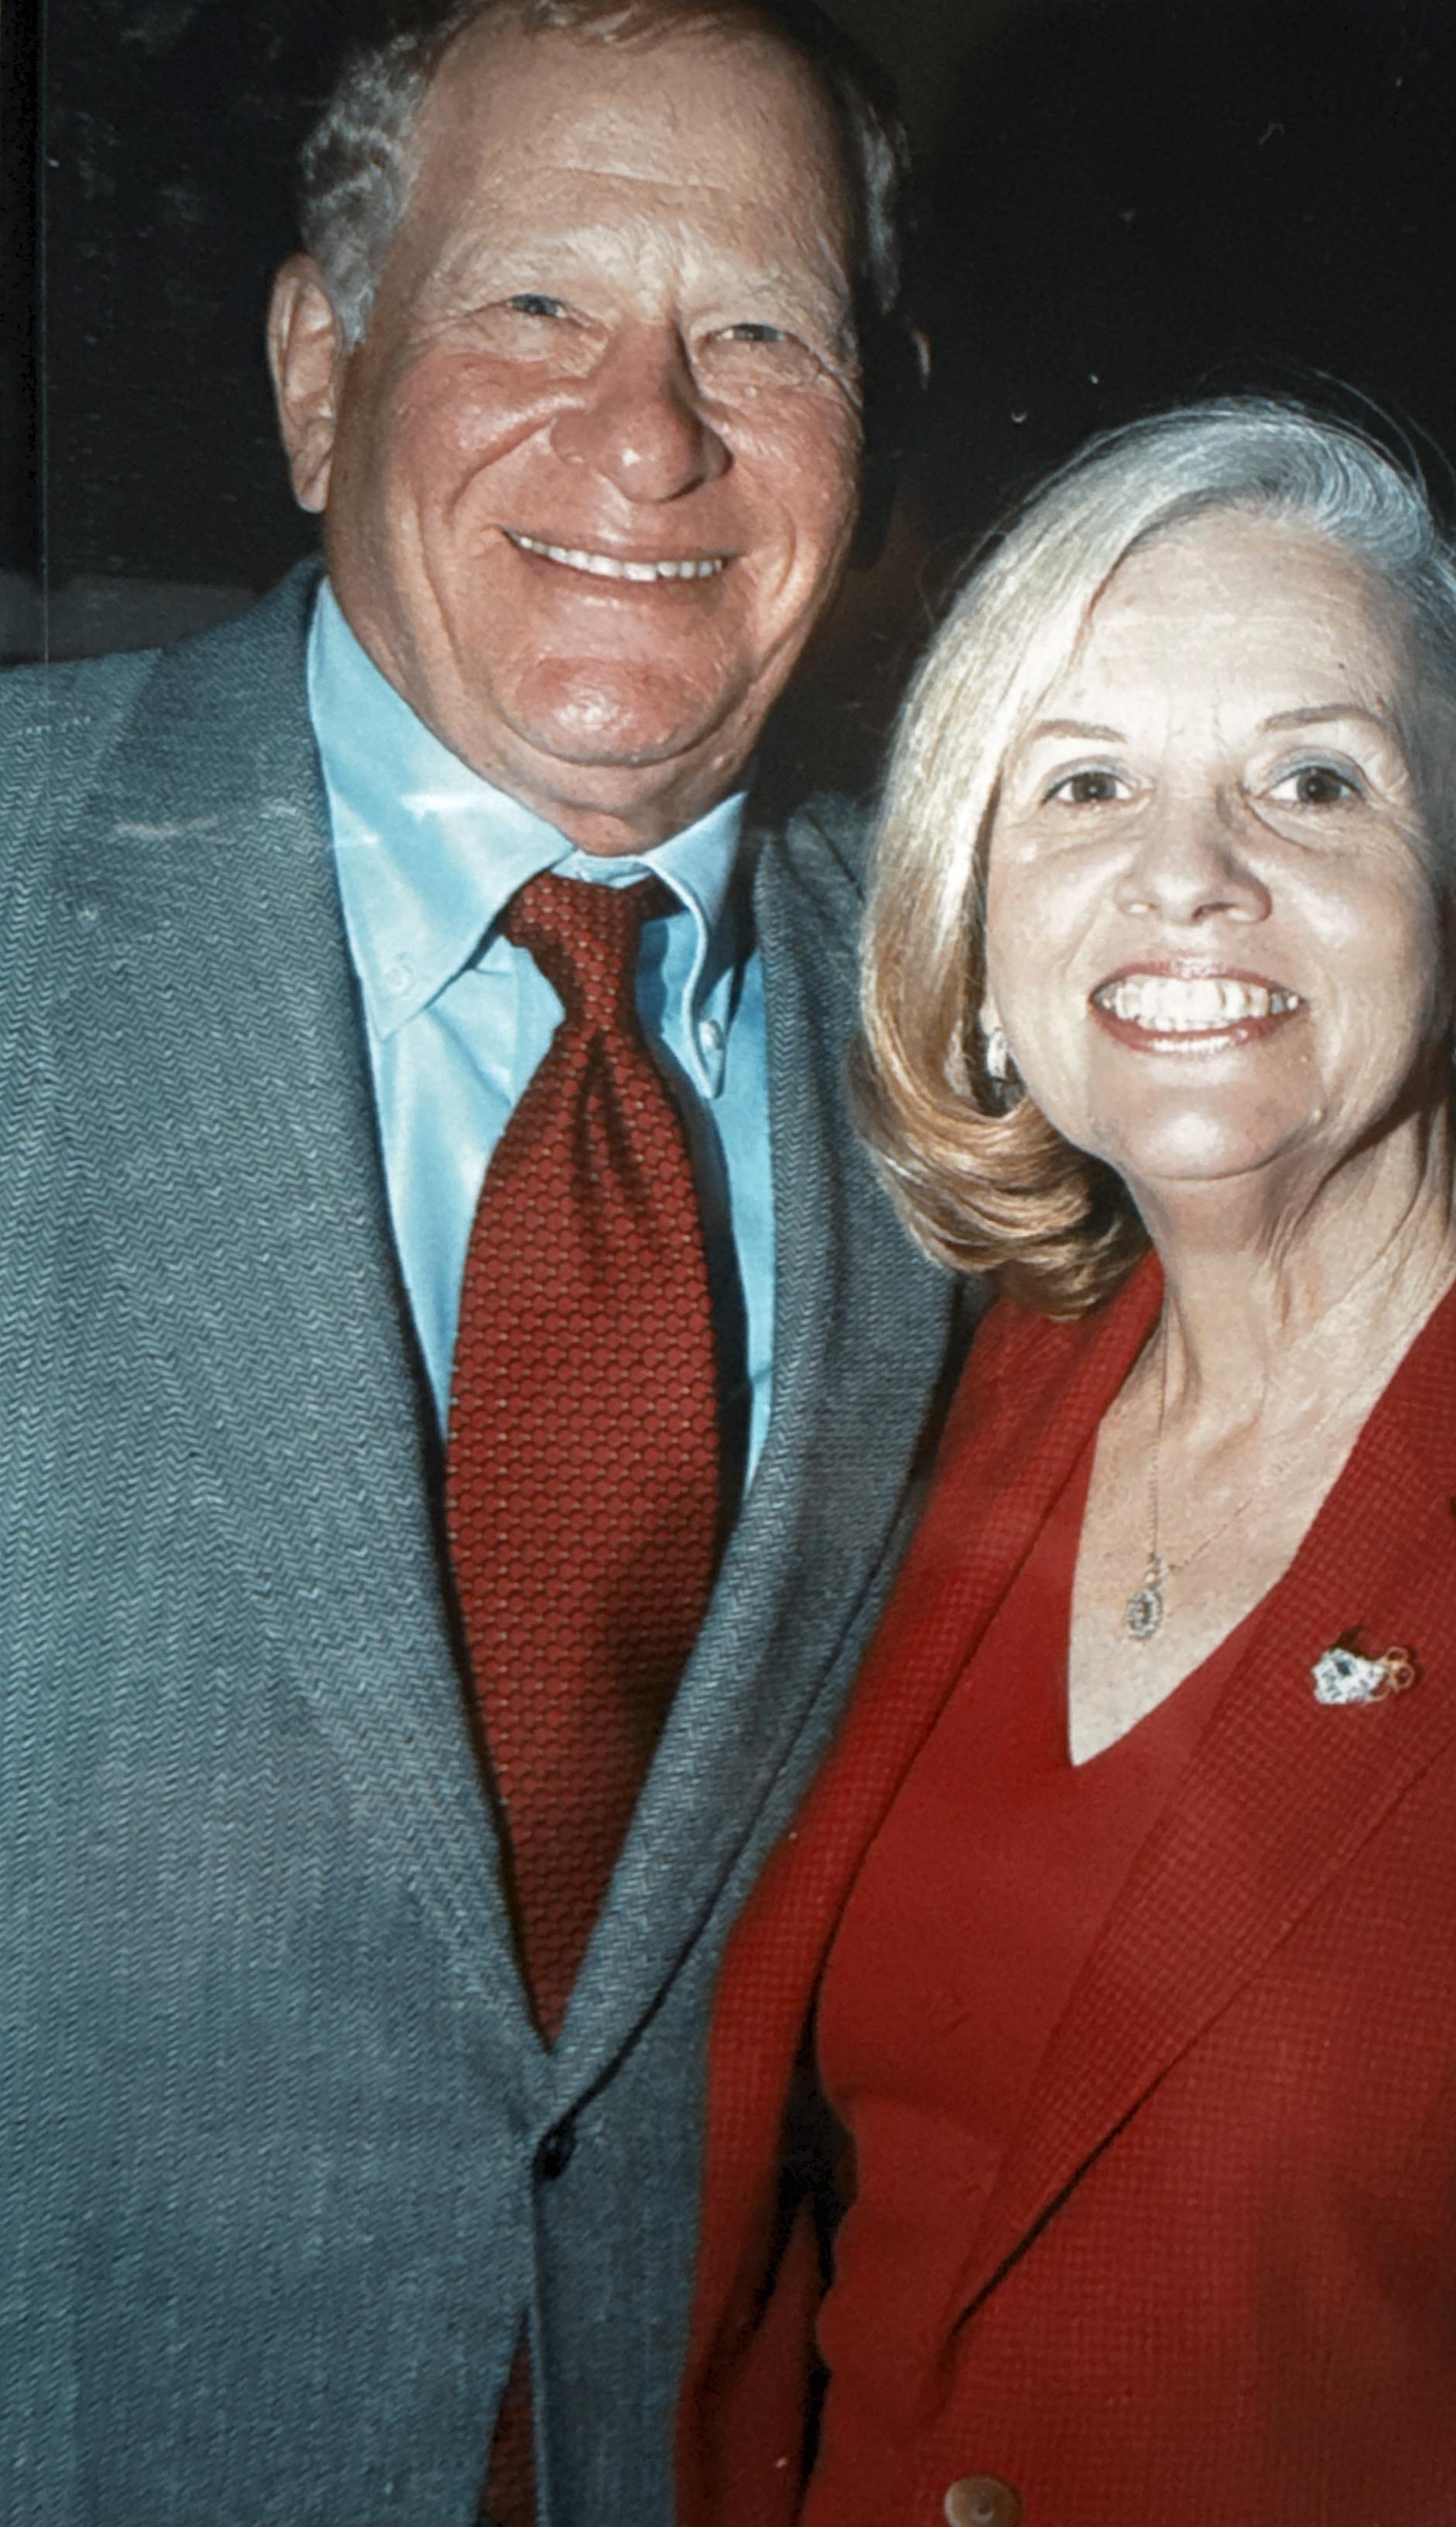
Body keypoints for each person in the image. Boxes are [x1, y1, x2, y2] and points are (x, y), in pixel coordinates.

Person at [0, 5, 959, 2522]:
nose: (648, 437)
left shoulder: (984, 1030)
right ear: (323, 375)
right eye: (531, 307)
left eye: (760, 330)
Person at [677, 400, 1456, 2526]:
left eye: (1312, 777)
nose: (1186, 875)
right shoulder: (940, 1402)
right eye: (1081, 783)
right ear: (978, 952)